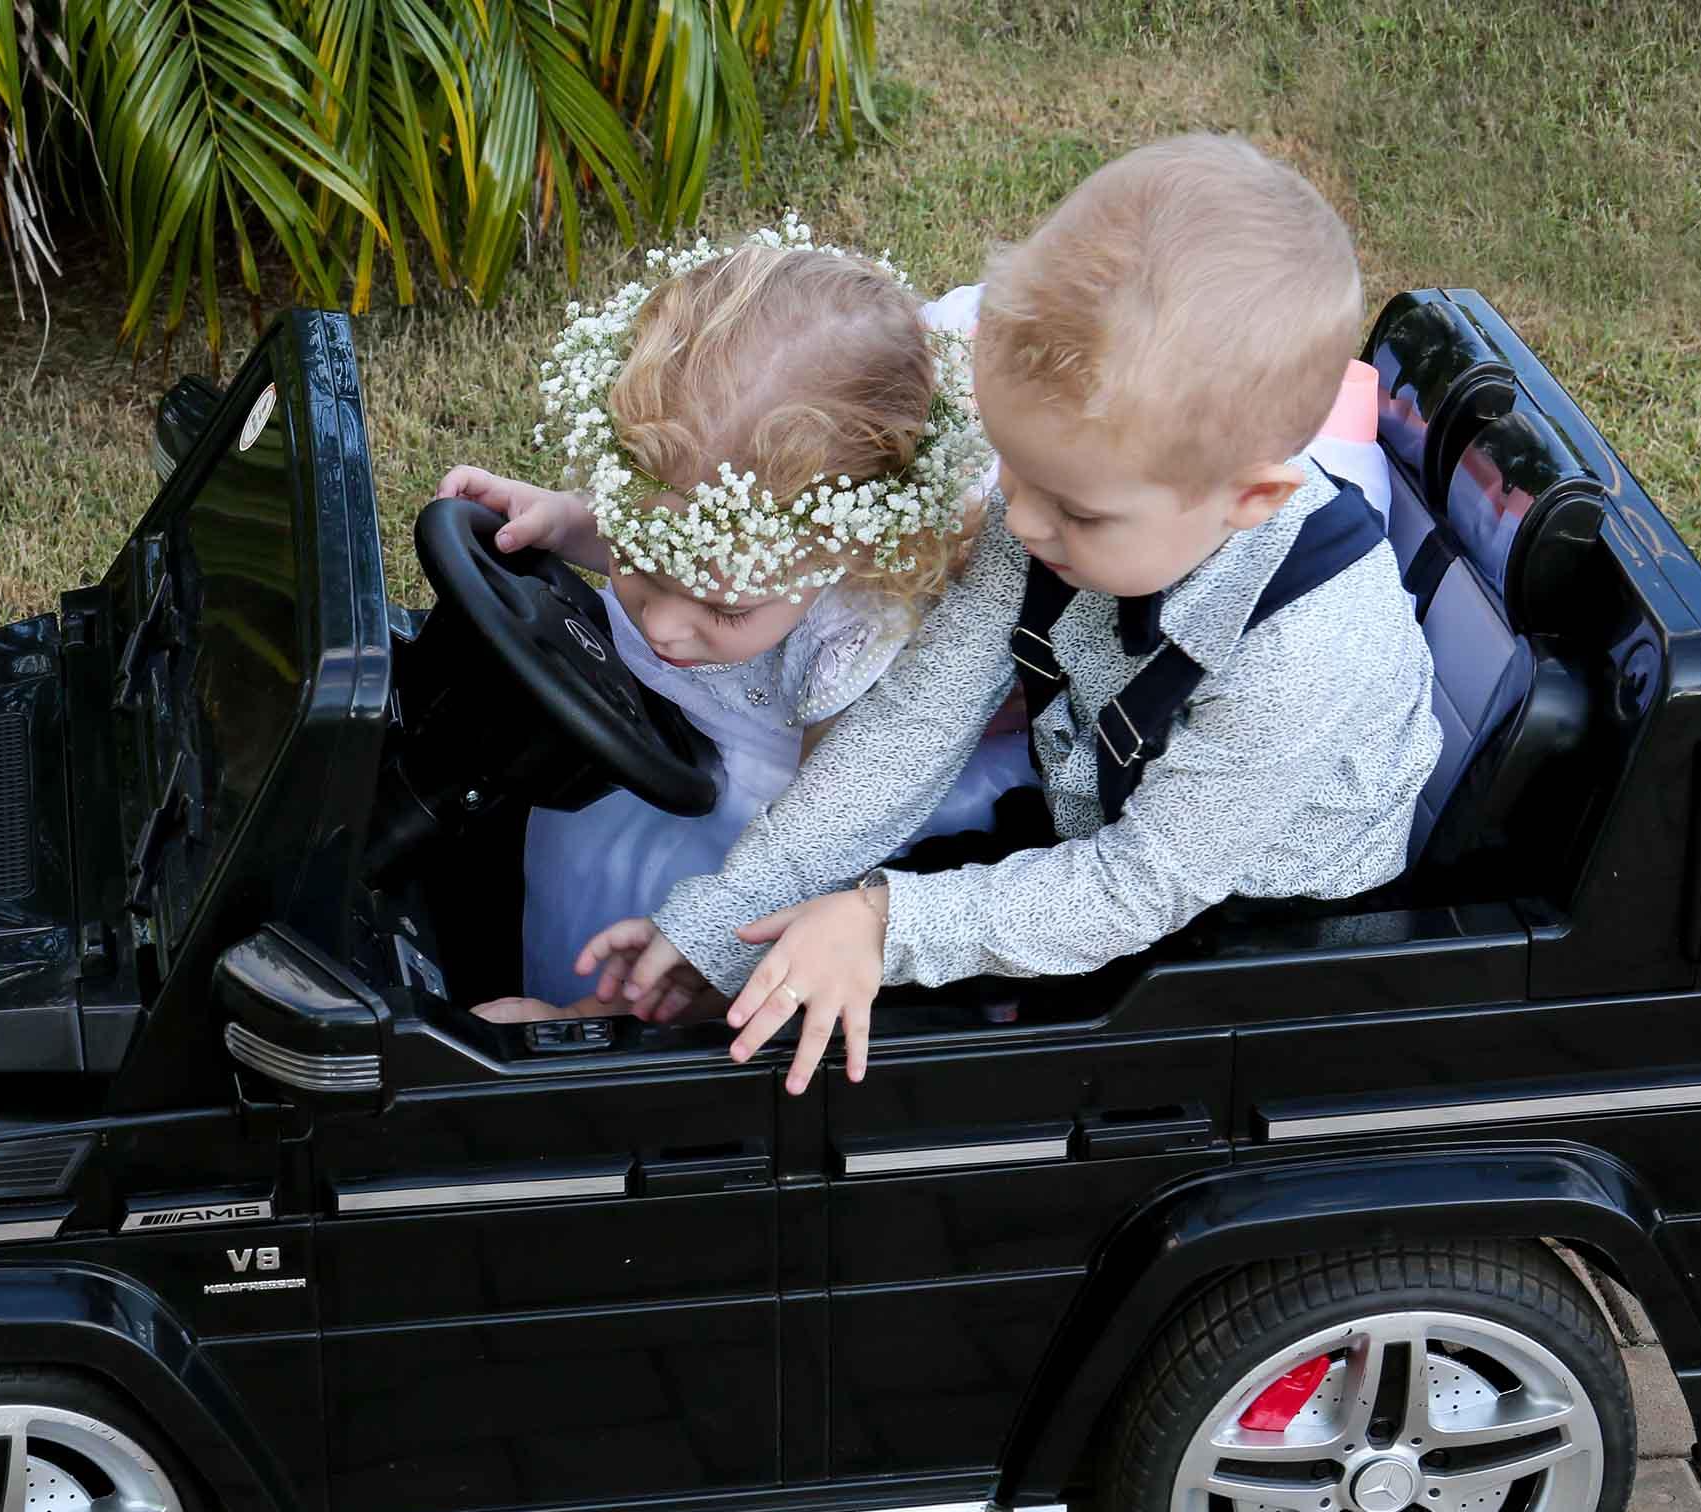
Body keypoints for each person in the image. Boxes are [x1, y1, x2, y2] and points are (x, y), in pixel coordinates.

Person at [572, 134, 1443, 1093]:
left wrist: (884, 924)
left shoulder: (1309, 649)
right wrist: (726, 916)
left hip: (1252, 938)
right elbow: (917, 721)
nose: (1018, 520)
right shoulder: (1070, 508)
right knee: (821, 940)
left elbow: (1141, 886)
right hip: (1094, 830)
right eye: (1012, 469)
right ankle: (642, 1033)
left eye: (1073, 508)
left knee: (895, 1043)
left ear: (1252, 498)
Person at [441, 221, 1017, 1021]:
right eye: (641, 559)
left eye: (723, 607)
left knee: (652, 934)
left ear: (844, 547)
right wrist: (570, 522)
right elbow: (677, 542)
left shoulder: (852, 638)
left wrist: (629, 1005)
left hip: (761, 818)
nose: (667, 628)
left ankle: (618, 1025)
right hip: (658, 748)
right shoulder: (717, 531)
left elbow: (816, 851)